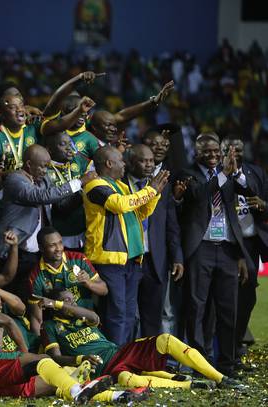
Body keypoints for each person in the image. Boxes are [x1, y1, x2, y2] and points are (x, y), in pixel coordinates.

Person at [0, 285, 147, 403]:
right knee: (43, 360)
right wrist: (24, 356)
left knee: (47, 384)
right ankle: (76, 389)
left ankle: (117, 396)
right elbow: (8, 321)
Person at [39, 290, 245, 390]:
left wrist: (59, 304)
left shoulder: (83, 317)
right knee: (129, 380)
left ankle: (220, 378)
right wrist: (80, 358)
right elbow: (56, 358)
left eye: (72, 300)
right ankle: (189, 385)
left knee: (165, 339)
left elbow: (94, 317)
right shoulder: (49, 327)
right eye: (67, 300)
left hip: (119, 352)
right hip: (104, 368)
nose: (72, 303)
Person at [176, 133, 254, 376]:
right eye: (206, 152)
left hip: (228, 249)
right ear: (196, 153)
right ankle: (200, 365)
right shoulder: (186, 174)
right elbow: (200, 195)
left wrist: (236, 172)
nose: (212, 156)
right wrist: (223, 174)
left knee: (228, 309)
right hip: (201, 249)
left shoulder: (229, 175)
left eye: (215, 152)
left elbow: (250, 189)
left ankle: (227, 365)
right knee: (197, 309)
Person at [83, 145, 168, 345]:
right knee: (117, 314)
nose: (125, 164)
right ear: (109, 163)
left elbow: (140, 213)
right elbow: (119, 205)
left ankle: (124, 360)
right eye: (121, 160)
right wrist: (150, 190)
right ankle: (113, 363)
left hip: (131, 259)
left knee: (130, 315)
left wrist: (154, 194)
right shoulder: (95, 185)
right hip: (110, 260)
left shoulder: (120, 185)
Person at [0, 144, 93, 293]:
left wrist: (84, 189)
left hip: (35, 253)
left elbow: (61, 204)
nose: (45, 171)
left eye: (47, 167)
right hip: (11, 249)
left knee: (28, 293)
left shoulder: (43, 180)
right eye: (42, 167)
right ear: (29, 164)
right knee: (5, 292)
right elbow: (40, 197)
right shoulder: (15, 179)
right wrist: (79, 182)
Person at [125, 144, 183, 337]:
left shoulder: (161, 187)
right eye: (143, 160)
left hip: (155, 260)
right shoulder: (119, 184)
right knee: (129, 316)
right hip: (128, 259)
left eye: (151, 160)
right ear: (130, 162)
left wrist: (177, 257)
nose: (149, 164)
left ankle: (151, 362)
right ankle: (127, 361)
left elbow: (171, 225)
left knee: (153, 317)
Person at [220, 138, 268, 368]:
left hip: (250, 244)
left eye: (238, 148)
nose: (233, 152)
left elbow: (265, 201)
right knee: (229, 295)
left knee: (248, 297)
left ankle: (236, 342)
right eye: (228, 149)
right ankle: (226, 348)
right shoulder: (217, 173)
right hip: (226, 244)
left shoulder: (256, 171)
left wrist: (263, 204)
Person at [26, 227, 108, 336]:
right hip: (61, 330)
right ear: (41, 248)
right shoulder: (35, 276)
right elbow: (36, 319)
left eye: (60, 243)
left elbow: (104, 290)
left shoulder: (79, 259)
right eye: (52, 245)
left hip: (87, 323)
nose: (58, 248)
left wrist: (89, 283)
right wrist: (37, 345)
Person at [88, 81, 175, 148]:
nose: (113, 129)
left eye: (114, 125)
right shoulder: (84, 139)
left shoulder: (112, 147)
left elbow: (123, 115)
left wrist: (153, 102)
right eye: (108, 125)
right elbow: (123, 116)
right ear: (94, 127)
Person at [44, 131, 90, 249]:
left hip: (84, 230)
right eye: (63, 144)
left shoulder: (78, 161)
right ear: (49, 150)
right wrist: (83, 186)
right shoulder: (45, 171)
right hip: (60, 233)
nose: (69, 148)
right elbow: (61, 206)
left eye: (70, 144)